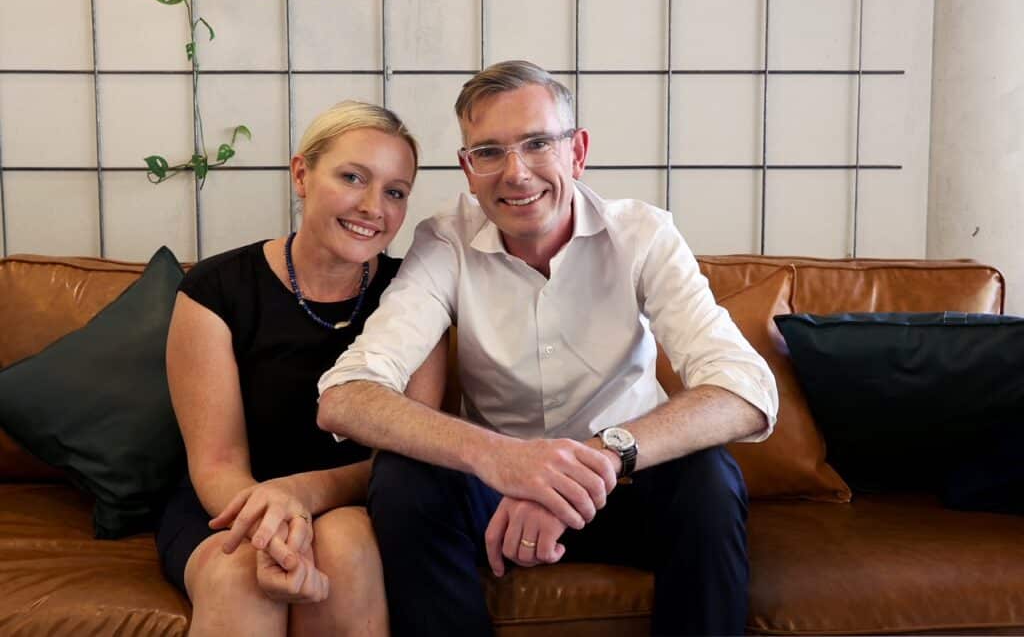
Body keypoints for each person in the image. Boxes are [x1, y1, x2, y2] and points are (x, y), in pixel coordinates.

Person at [315, 61, 779, 636]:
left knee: (709, 478)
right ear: (467, 169)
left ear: (577, 152)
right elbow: (345, 395)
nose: (516, 173)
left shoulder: (644, 236)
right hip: (495, 502)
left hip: (629, 484)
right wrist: (504, 462)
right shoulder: (444, 242)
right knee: (404, 481)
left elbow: (745, 389)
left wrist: (597, 459)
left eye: (538, 144)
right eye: (488, 152)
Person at [156, 101, 447, 636]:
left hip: (354, 500)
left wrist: (304, 495)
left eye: (395, 192)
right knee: (241, 574)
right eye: (352, 177)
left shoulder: (418, 294)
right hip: (228, 500)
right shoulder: (215, 291)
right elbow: (216, 461)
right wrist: (274, 526)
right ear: (301, 175)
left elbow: (408, 452)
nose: (371, 207)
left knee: (344, 551)